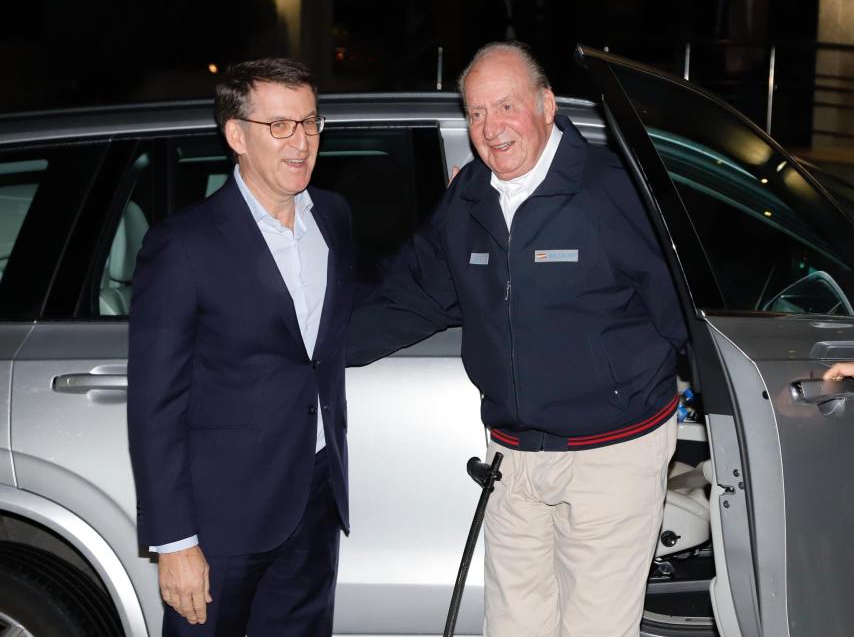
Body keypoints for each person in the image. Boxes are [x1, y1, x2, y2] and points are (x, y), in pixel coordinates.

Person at [347, 41, 687, 637]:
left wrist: (733, 385)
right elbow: (413, 294)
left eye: (505, 107)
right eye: (476, 113)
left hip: (612, 454)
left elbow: (679, 307)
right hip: (513, 460)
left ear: (546, 105)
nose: (490, 128)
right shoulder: (469, 198)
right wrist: (315, 347)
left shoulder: (613, 190)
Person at [128, 57, 353, 636]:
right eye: (279, 125)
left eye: (309, 122)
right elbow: (155, 406)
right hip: (219, 521)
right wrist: (175, 542)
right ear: (236, 135)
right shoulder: (183, 245)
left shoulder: (332, 216)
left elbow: (340, 326)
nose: (300, 141)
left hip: (313, 499)